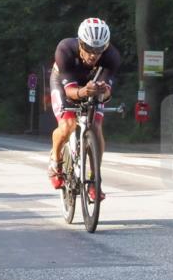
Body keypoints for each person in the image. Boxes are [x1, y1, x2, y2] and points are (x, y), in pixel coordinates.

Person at [48, 18, 120, 201]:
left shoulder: (111, 56)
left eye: (99, 50)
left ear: (106, 46)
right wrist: (83, 91)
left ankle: (95, 180)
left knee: (95, 128)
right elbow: (70, 91)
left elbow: (107, 93)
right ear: (80, 43)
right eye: (88, 49)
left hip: (92, 86)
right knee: (68, 124)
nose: (93, 55)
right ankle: (55, 163)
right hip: (65, 83)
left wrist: (102, 93)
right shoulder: (65, 49)